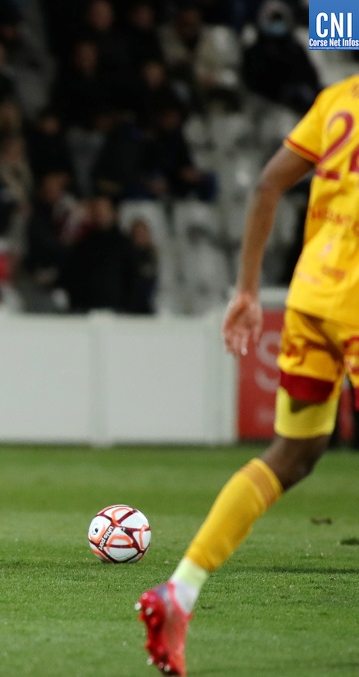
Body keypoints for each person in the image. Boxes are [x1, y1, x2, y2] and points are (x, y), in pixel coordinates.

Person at [136, 75, 359, 676]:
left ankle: (180, 590)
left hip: (312, 295)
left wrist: (249, 290)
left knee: (295, 453)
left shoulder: (339, 98)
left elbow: (267, 184)